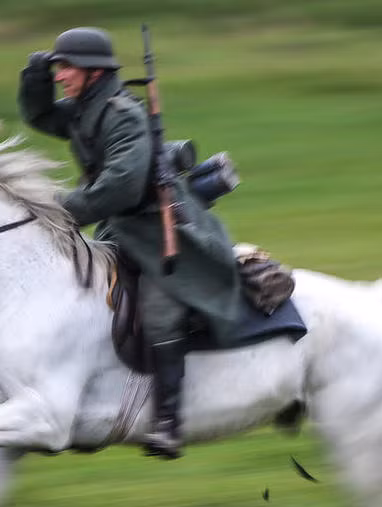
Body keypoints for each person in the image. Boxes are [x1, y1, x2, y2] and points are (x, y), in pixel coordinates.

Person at [18, 27, 244, 459]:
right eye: (59, 68)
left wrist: (59, 210)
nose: (61, 76)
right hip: (121, 227)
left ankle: (168, 422)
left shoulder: (120, 113)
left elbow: (119, 189)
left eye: (66, 68)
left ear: (93, 71)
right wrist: (35, 72)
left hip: (157, 230)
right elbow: (40, 117)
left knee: (159, 314)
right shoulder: (87, 109)